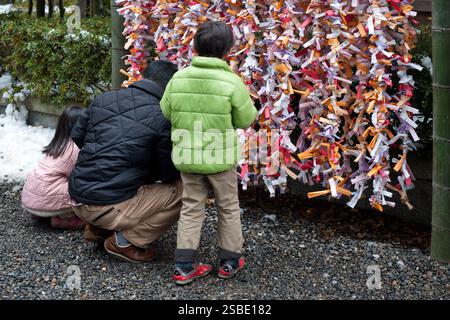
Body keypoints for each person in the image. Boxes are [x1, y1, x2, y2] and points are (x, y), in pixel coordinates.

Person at [161, 21, 258, 285]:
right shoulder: (231, 81)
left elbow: (166, 112)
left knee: (191, 207)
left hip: (188, 156)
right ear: (228, 50)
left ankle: (184, 266)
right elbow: (247, 118)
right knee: (228, 206)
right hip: (220, 157)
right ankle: (229, 260)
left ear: (195, 46)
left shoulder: (178, 77)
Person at [69, 60, 182, 263]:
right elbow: (168, 174)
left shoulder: (104, 98)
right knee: (185, 191)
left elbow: (78, 136)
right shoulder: (162, 115)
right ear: (170, 86)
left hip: (77, 198)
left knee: (127, 176)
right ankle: (125, 242)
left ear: (144, 77)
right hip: (107, 203)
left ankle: (99, 228)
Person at [21, 105, 86, 230]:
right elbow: (81, 177)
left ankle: (44, 215)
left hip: (30, 200)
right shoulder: (75, 148)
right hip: (46, 203)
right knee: (85, 191)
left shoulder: (57, 144)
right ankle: (65, 218)